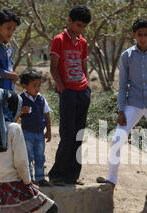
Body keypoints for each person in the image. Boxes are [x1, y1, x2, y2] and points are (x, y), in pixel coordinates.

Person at [103, 18, 147, 206]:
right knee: (117, 138)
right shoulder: (127, 56)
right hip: (132, 104)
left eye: (145, 34)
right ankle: (111, 181)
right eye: (139, 35)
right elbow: (122, 84)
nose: (142, 38)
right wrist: (120, 110)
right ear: (133, 35)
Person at [48, 5, 91, 186]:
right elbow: (53, 67)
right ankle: (57, 175)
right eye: (78, 25)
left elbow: (84, 67)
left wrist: (87, 87)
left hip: (82, 91)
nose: (80, 29)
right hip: (68, 92)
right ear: (70, 21)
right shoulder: (59, 40)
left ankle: (72, 175)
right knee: (67, 134)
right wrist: (63, 89)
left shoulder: (83, 42)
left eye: (83, 26)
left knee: (79, 135)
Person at [18, 69, 52, 187]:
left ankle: (40, 178)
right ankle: (29, 180)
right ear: (24, 86)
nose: (37, 88)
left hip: (39, 133)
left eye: (38, 85)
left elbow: (47, 115)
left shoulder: (41, 99)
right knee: (28, 156)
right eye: (34, 86)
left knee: (40, 156)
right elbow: (14, 116)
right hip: (26, 133)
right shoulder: (20, 99)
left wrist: (48, 131)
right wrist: (22, 111)